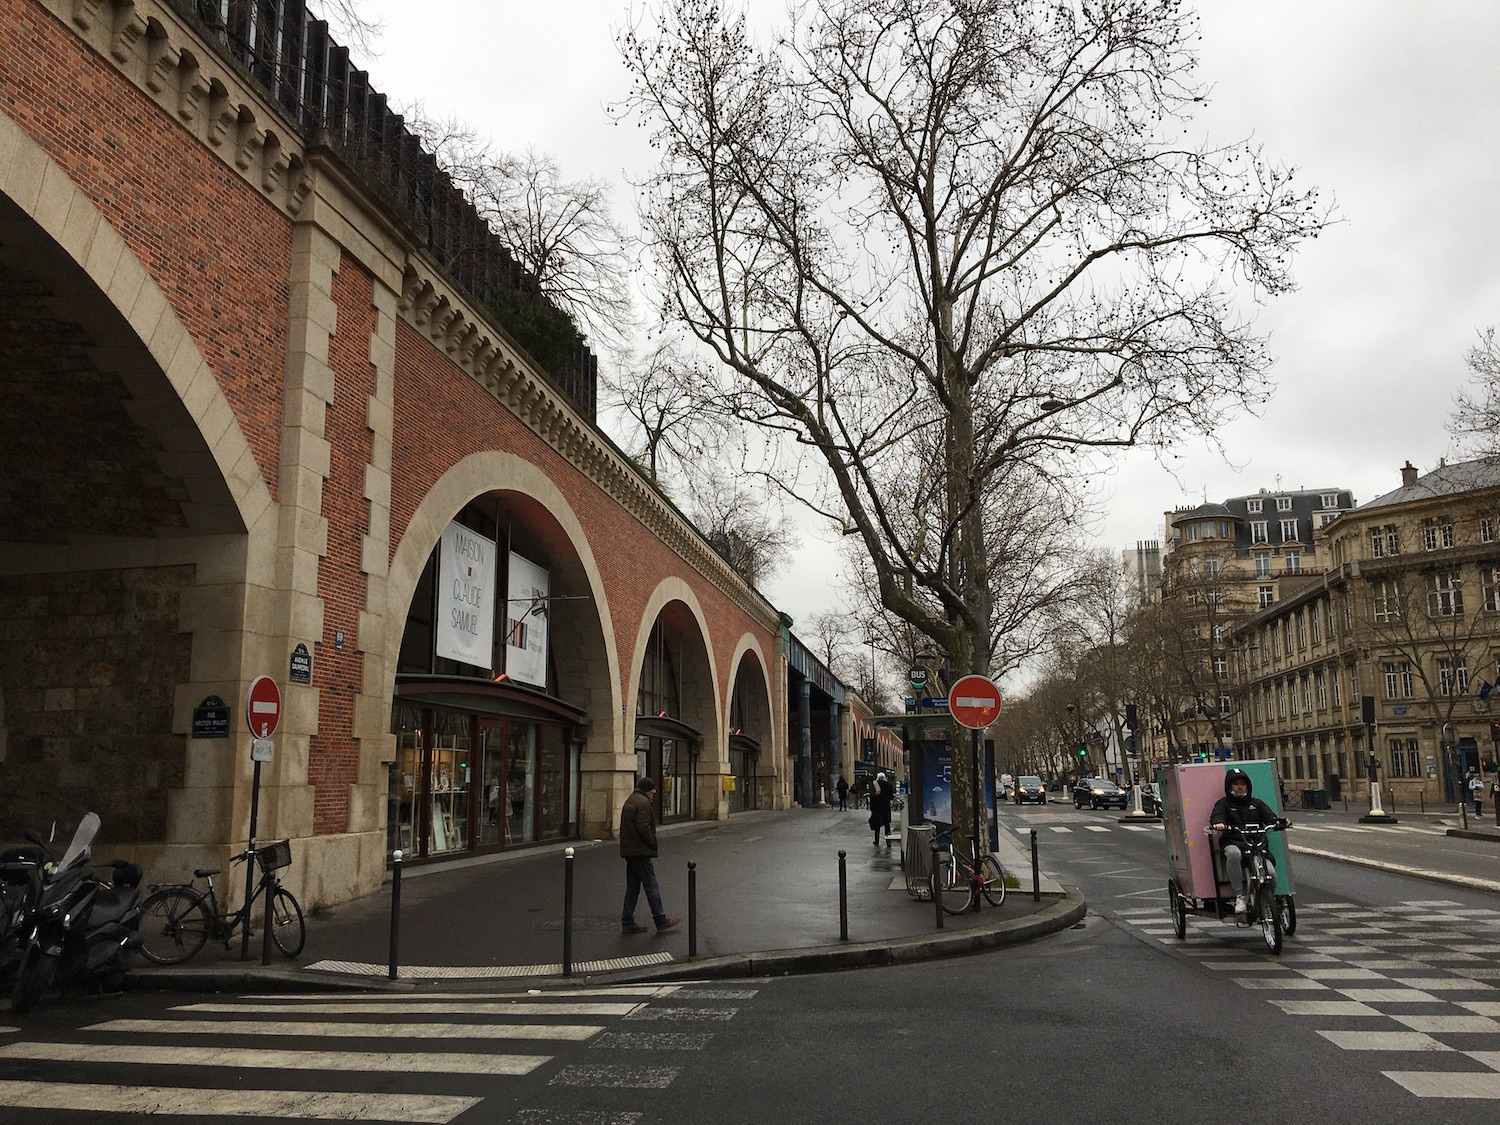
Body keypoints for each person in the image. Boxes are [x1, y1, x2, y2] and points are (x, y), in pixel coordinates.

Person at [1209, 767, 1290, 916]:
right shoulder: (1223, 804)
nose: (1240, 787)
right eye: (1236, 784)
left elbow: (1270, 817)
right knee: (1233, 854)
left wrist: (1279, 822)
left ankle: (1267, 900)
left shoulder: (1257, 803)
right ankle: (1240, 896)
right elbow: (1217, 816)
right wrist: (1218, 823)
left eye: (1242, 784)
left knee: (1271, 873)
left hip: (1256, 845)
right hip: (1234, 841)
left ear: (1247, 786)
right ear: (1230, 787)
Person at [619, 777, 680, 935]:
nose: (654, 792)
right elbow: (643, 826)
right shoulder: (643, 802)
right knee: (651, 885)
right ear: (647, 789)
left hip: (630, 851)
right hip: (640, 851)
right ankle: (660, 919)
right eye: (652, 789)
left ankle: (627, 921)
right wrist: (652, 842)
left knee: (632, 887)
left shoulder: (631, 799)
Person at [869, 771, 895, 847]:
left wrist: (872, 808)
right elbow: (891, 797)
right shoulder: (889, 785)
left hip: (876, 808)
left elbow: (872, 797)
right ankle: (888, 842)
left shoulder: (874, 785)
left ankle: (876, 841)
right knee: (887, 825)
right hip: (886, 808)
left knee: (877, 826)